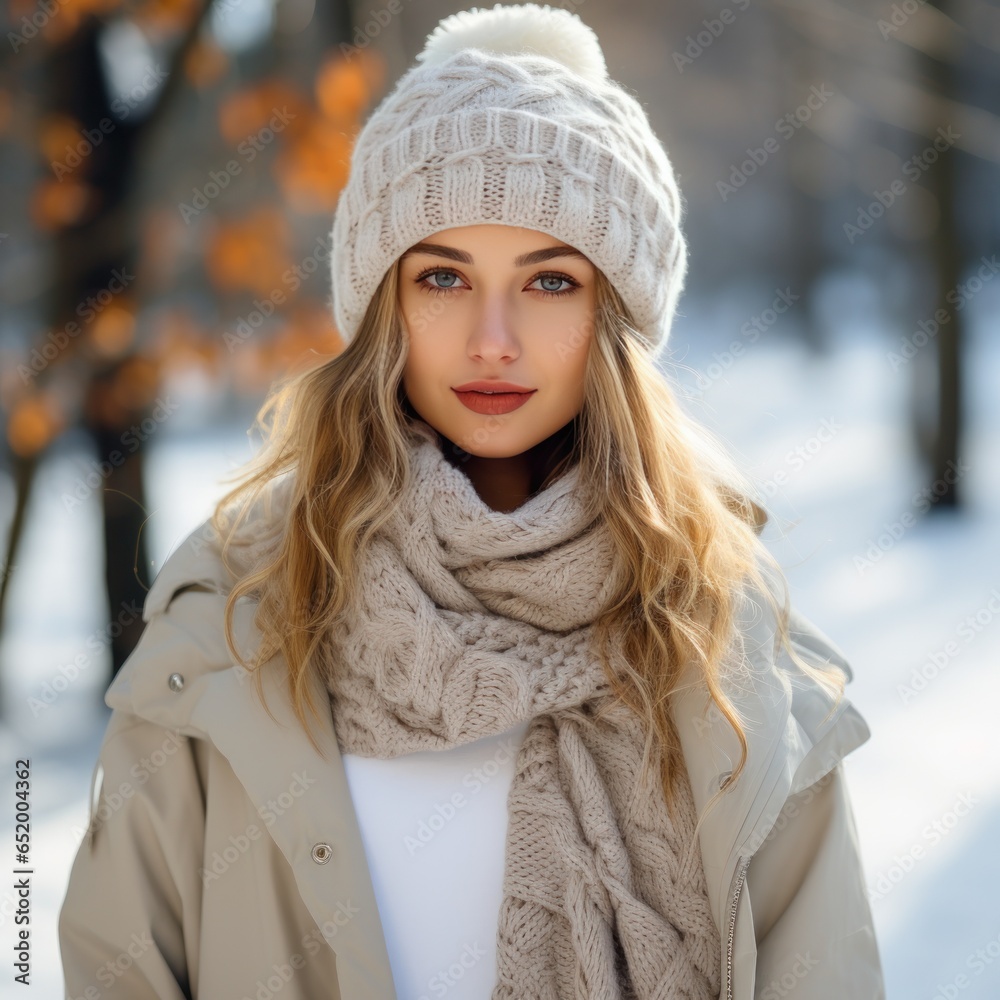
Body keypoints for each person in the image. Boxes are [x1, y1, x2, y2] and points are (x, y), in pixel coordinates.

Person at [58, 4, 885, 998]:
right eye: (443, 276)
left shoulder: (728, 642)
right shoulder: (234, 623)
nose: (492, 339)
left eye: (549, 283)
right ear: (384, 305)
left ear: (613, 316)